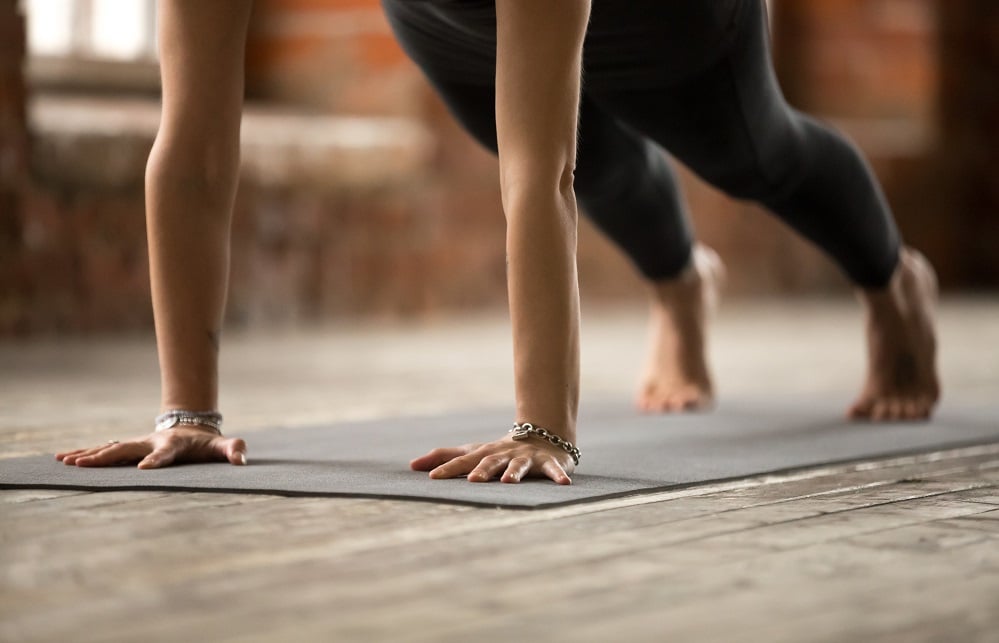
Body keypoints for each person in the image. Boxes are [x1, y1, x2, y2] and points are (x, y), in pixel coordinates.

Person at [57, 0, 939, 486]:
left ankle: (894, 284)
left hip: (668, 23)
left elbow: (535, 175)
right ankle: (679, 284)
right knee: (599, 168)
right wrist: (189, 414)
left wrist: (542, 429)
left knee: (755, 157)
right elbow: (196, 145)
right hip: (450, 17)